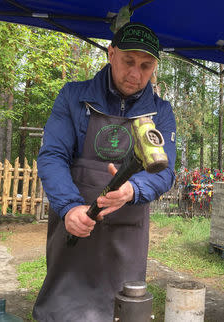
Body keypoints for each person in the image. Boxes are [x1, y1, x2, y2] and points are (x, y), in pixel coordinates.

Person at [33, 22, 176, 321]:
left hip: (126, 237)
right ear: (111, 53)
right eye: (128, 61)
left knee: (124, 310)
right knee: (63, 311)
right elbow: (52, 155)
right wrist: (70, 207)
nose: (135, 74)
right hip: (75, 227)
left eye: (146, 66)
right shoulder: (74, 98)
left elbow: (165, 172)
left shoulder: (160, 113)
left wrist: (132, 190)